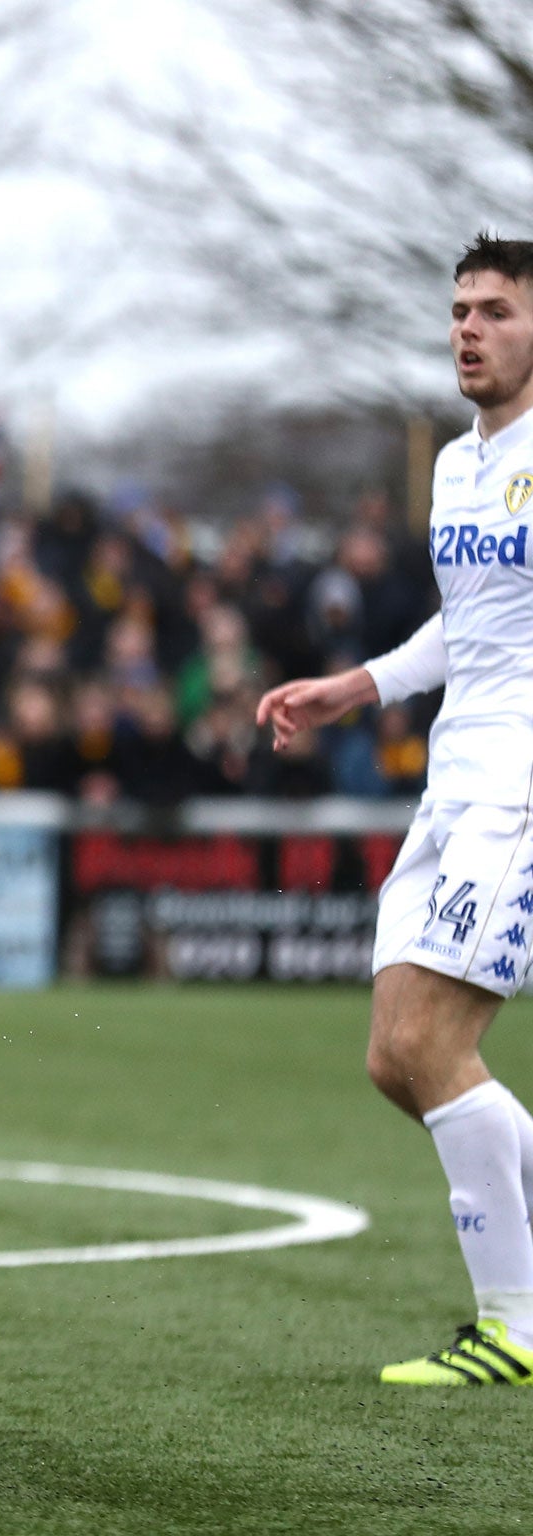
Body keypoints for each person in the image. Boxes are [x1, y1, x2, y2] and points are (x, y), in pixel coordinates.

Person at [258, 235, 533, 1388]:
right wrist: (354, 684)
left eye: (496, 312)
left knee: (430, 1041)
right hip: (450, 775)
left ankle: (513, 1327)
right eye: (459, 309)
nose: (466, 328)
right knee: (391, 1057)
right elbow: (460, 629)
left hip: (518, 786)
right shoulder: (459, 465)